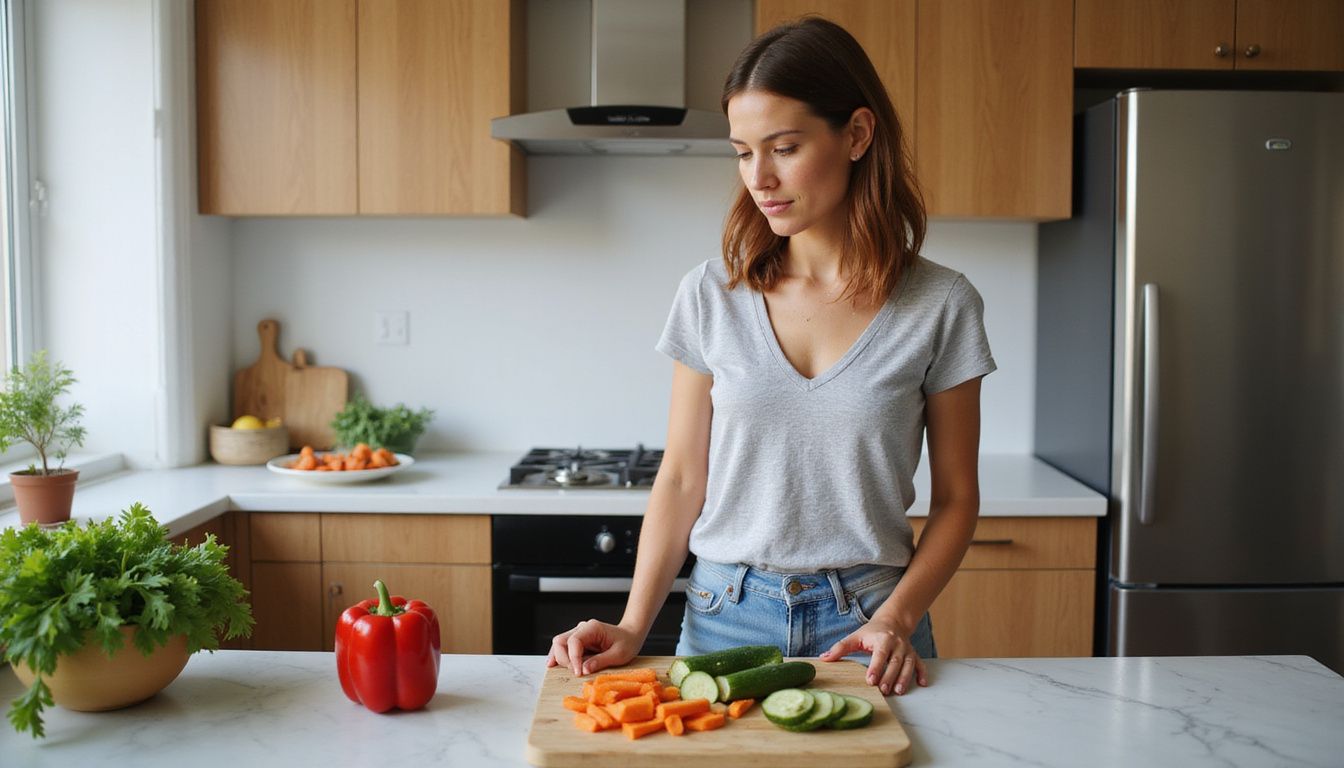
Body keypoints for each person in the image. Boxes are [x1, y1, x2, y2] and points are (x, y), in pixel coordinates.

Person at [547, 16, 995, 698]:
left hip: (872, 627)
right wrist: (635, 624)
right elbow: (680, 478)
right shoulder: (710, 294)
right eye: (742, 152)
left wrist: (896, 619)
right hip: (724, 618)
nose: (759, 177)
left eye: (784, 147)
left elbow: (958, 499)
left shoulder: (941, 304)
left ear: (857, 134)